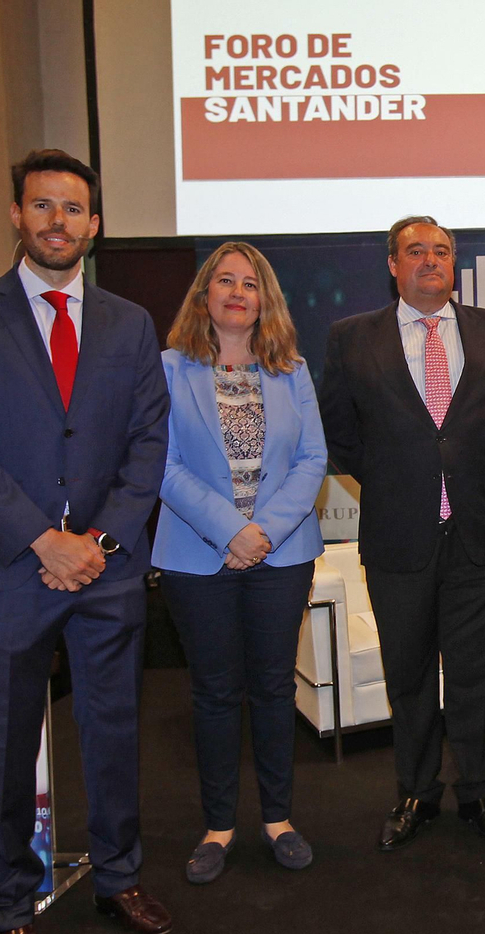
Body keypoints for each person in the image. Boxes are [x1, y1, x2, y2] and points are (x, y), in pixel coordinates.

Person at [0, 149, 172, 934]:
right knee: (5, 744)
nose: (58, 221)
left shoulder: (130, 324)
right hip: (11, 569)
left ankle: (118, 876)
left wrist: (95, 541)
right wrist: (42, 540)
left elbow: (147, 446)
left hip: (105, 567)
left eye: (74, 208)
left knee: (111, 732)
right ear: (18, 217)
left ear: (94, 225)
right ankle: (9, 910)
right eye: (43, 206)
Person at [319, 216, 485, 850]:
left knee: (475, 673)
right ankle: (415, 791)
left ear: (454, 263)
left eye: (441, 251)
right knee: (407, 674)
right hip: (398, 536)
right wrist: (398, 476)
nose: (430, 260)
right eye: (416, 251)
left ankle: (481, 790)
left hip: (478, 535)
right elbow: (340, 435)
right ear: (392, 263)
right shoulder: (351, 338)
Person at [153, 241, 327, 882]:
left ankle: (278, 819)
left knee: (275, 688)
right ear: (204, 296)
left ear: (265, 299)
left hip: (281, 557)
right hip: (197, 558)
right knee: (216, 693)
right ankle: (219, 826)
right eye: (223, 281)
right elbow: (160, 465)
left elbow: (313, 459)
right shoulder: (170, 368)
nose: (236, 292)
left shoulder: (292, 369)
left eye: (249, 284)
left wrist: (265, 533)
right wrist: (232, 530)